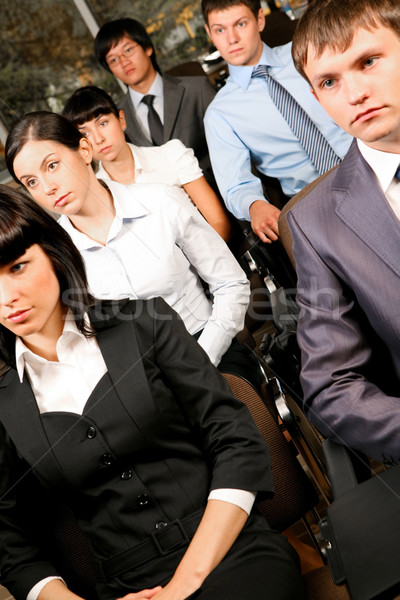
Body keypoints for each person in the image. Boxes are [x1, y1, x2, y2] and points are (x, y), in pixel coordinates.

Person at [0, 184, 305, 600]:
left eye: (17, 267)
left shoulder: (147, 323)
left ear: (54, 254)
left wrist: (184, 584)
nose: (7, 297)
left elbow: (235, 439)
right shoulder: (4, 403)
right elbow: (8, 540)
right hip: (123, 587)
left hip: (228, 550)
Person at [5, 111, 262, 386]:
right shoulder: (54, 253)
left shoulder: (160, 200)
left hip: (208, 348)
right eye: (31, 182)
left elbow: (231, 285)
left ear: (83, 150)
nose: (47, 187)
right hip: (136, 382)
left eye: (52, 165)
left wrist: (201, 356)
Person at [281, 0, 400, 464]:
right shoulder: (315, 223)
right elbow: (332, 389)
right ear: (316, 97)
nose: (353, 94)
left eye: (368, 61)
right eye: (329, 81)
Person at [202, 0, 352, 243]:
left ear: (260, 20)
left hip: (370, 161)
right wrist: (255, 206)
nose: (231, 39)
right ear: (209, 33)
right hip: (316, 201)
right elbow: (235, 185)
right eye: (220, 30)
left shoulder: (307, 51)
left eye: (240, 24)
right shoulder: (220, 113)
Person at [61, 85, 234, 242]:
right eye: (85, 134)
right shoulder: (95, 192)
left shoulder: (170, 155)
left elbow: (219, 222)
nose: (98, 139)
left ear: (121, 120)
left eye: (103, 123)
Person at [94, 18, 217, 188]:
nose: (123, 62)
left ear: (147, 48)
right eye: (113, 60)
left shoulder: (196, 89)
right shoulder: (116, 119)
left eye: (128, 50)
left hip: (217, 192)